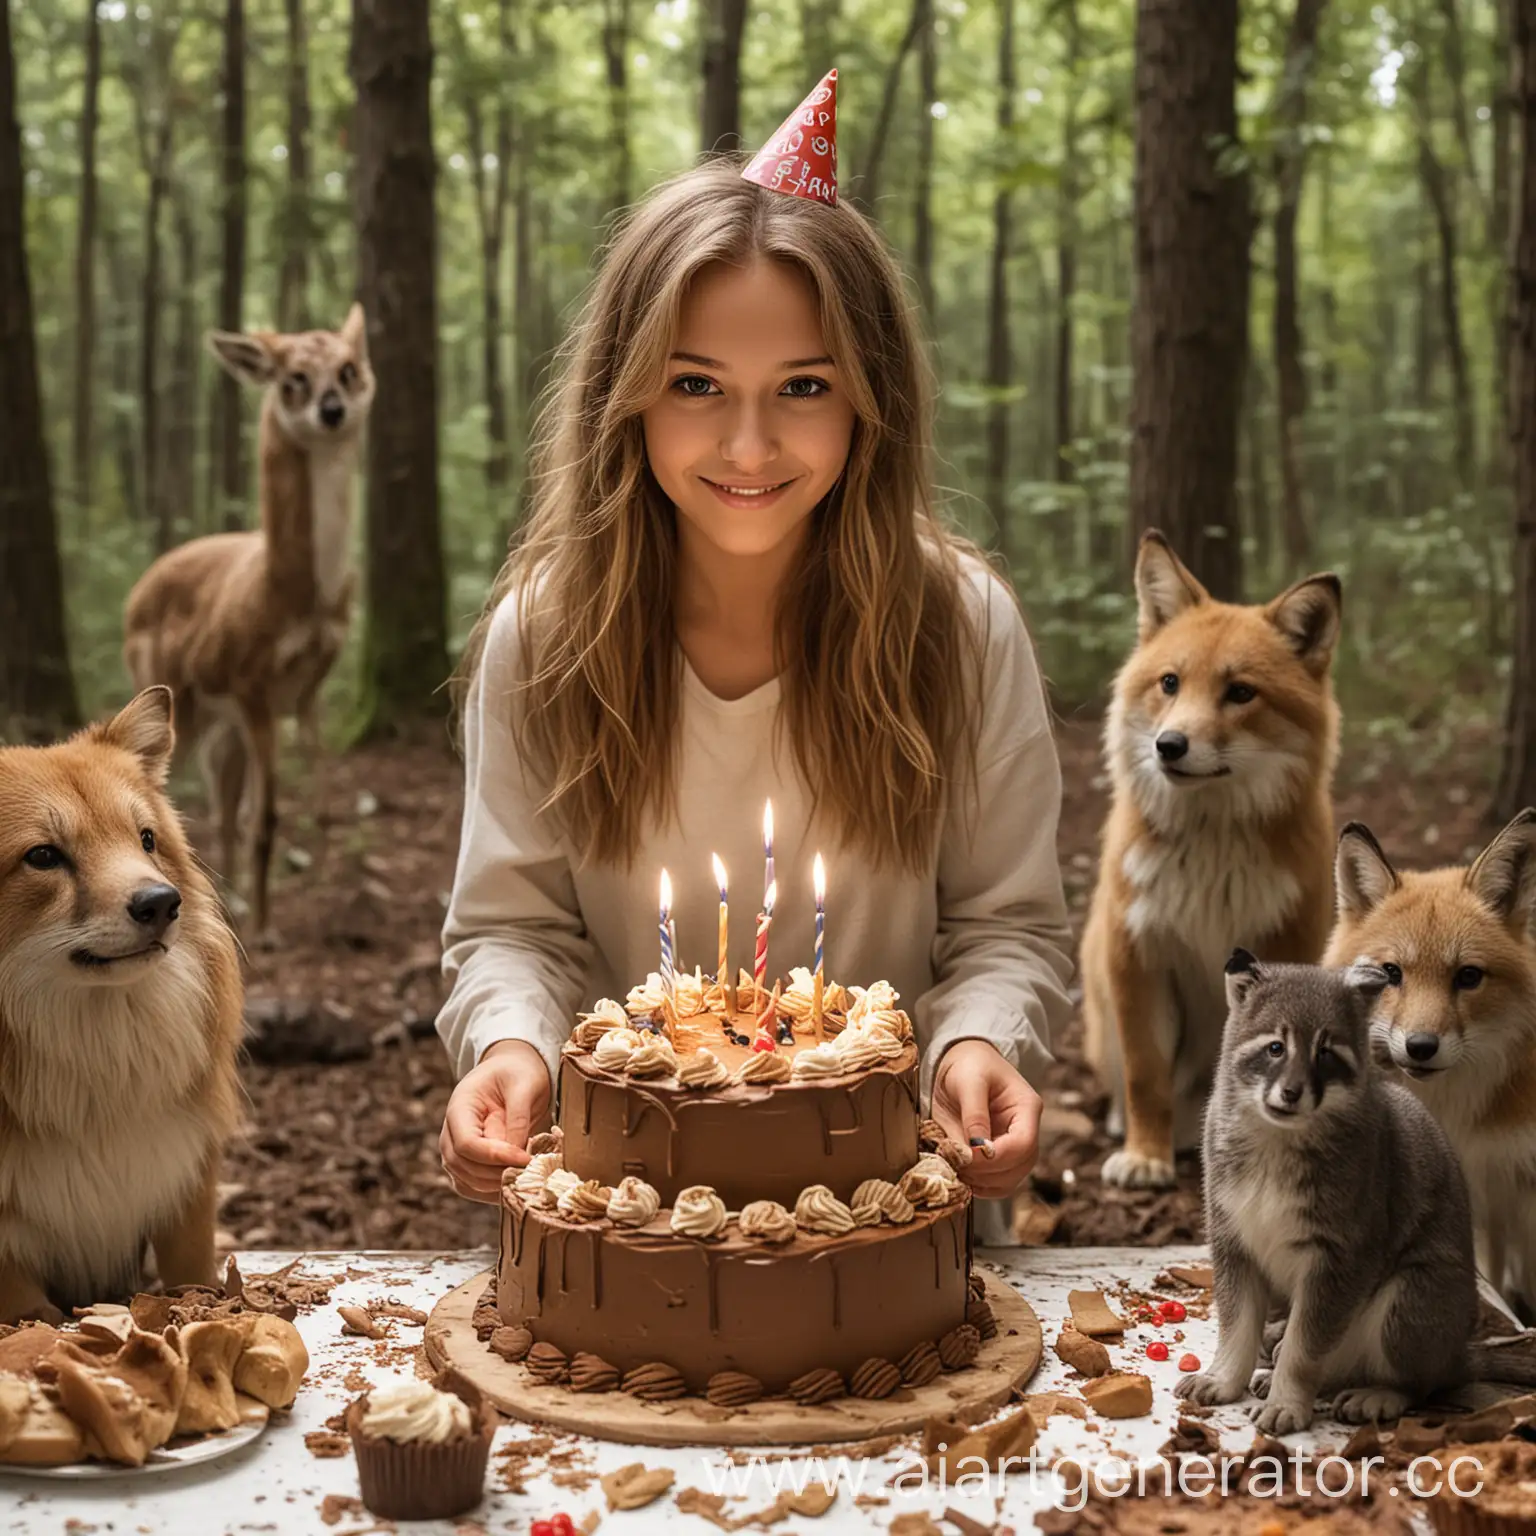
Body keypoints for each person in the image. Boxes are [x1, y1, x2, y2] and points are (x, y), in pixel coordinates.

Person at [436, 71, 1075, 1240]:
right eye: (694, 386)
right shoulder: (548, 636)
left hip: (895, 1224)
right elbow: (512, 927)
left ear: (869, 401)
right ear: (624, 397)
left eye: (804, 387)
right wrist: (511, 1044)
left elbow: (1006, 925)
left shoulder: (962, 627)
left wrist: (981, 1039)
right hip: (619, 1226)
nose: (747, 443)